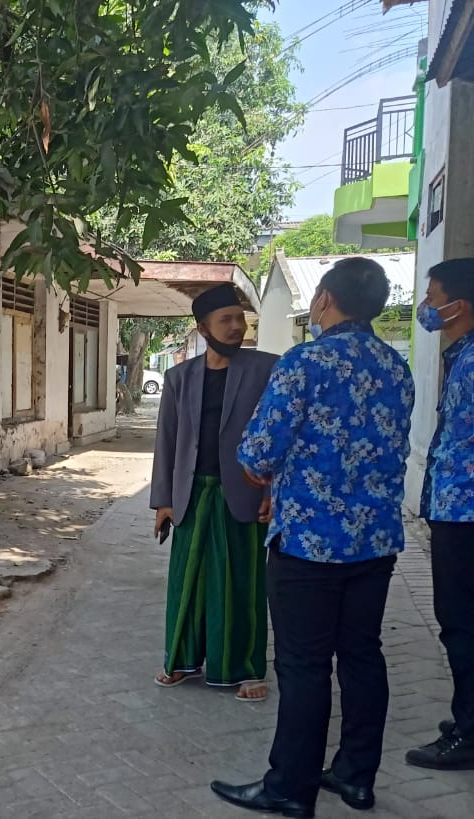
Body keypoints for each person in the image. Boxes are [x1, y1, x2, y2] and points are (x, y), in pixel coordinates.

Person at [211, 257, 414, 817]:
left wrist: (272, 476)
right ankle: (355, 776)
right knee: (362, 656)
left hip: (308, 542)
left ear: (323, 298)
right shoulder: (396, 367)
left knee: (302, 664)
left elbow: (256, 452)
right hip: (375, 541)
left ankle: (289, 788)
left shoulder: (306, 362)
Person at [150, 283, 278, 701]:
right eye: (226, 320)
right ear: (203, 328)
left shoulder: (267, 369)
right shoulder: (179, 378)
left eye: (240, 319)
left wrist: (273, 491)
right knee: (186, 582)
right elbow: (167, 439)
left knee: (244, 583)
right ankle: (180, 660)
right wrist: (163, 500)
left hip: (245, 494)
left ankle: (246, 669)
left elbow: (279, 435)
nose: (236, 327)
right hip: (192, 494)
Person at [406, 258, 474, 771]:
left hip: (466, 515)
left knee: (462, 623)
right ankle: (467, 716)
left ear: (459, 304)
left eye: (432, 297)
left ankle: (468, 735)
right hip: (455, 509)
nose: (427, 307)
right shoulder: (463, 355)